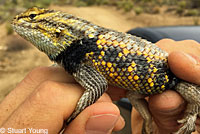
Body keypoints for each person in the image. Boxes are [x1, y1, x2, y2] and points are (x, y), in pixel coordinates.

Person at [0, 39, 200, 134]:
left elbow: (97, 84)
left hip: (171, 79)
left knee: (191, 95)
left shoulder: (81, 47)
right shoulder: (75, 55)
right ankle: (149, 124)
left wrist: (192, 115)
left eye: (34, 18)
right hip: (136, 91)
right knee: (136, 98)